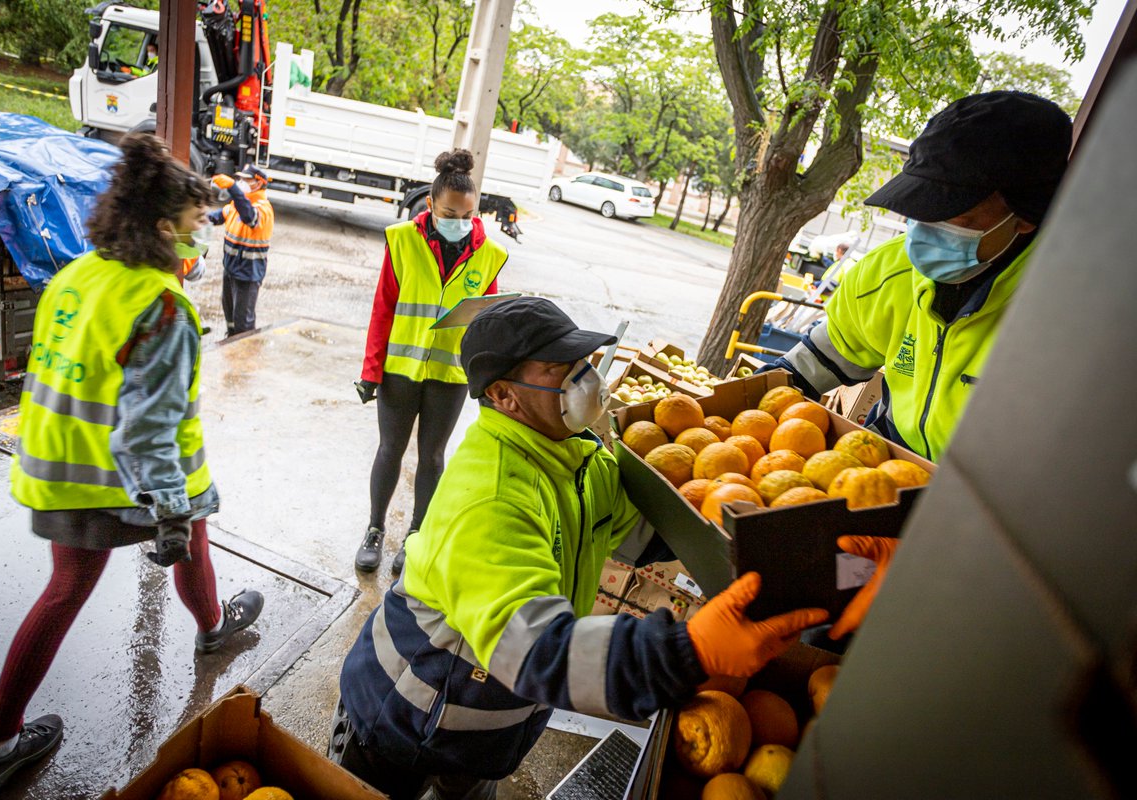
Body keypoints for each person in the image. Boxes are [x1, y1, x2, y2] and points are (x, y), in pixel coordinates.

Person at [330, 296, 828, 799]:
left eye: (584, 362)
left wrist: (777, 548)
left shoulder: (578, 458)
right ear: (504, 395)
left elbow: (647, 533)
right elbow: (538, 650)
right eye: (559, 369)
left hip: (485, 727)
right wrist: (686, 650)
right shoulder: (489, 499)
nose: (587, 379)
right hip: (399, 716)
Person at [0, 134, 264, 799]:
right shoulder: (160, 304)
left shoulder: (77, 274)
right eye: (192, 225)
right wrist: (171, 508)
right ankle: (213, 630)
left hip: (53, 466)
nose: (199, 237)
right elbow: (149, 428)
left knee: (65, 589)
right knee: (192, 532)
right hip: (116, 478)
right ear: (161, 228)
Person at [766, 91, 1072, 462]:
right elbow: (809, 367)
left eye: (949, 212)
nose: (922, 229)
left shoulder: (1070, 318)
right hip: (887, 467)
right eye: (918, 206)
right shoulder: (885, 274)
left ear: (1024, 216)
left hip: (988, 500)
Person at [352, 148, 507, 575]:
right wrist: (370, 370)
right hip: (400, 370)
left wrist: (488, 377)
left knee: (433, 457)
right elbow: (383, 308)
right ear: (430, 206)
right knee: (390, 450)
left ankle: (416, 536)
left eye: (468, 214)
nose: (460, 222)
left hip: (450, 375)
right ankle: (374, 530)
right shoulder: (402, 241)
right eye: (450, 213)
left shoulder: (488, 254)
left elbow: (486, 319)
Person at [209, 164, 273, 337]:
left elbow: (249, 217)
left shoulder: (262, 208)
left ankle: (244, 357)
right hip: (230, 269)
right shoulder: (236, 204)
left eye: (246, 180)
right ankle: (231, 340)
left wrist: (232, 187)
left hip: (247, 274)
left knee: (243, 323)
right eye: (239, 180)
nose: (241, 183)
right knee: (230, 315)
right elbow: (215, 217)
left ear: (258, 184)